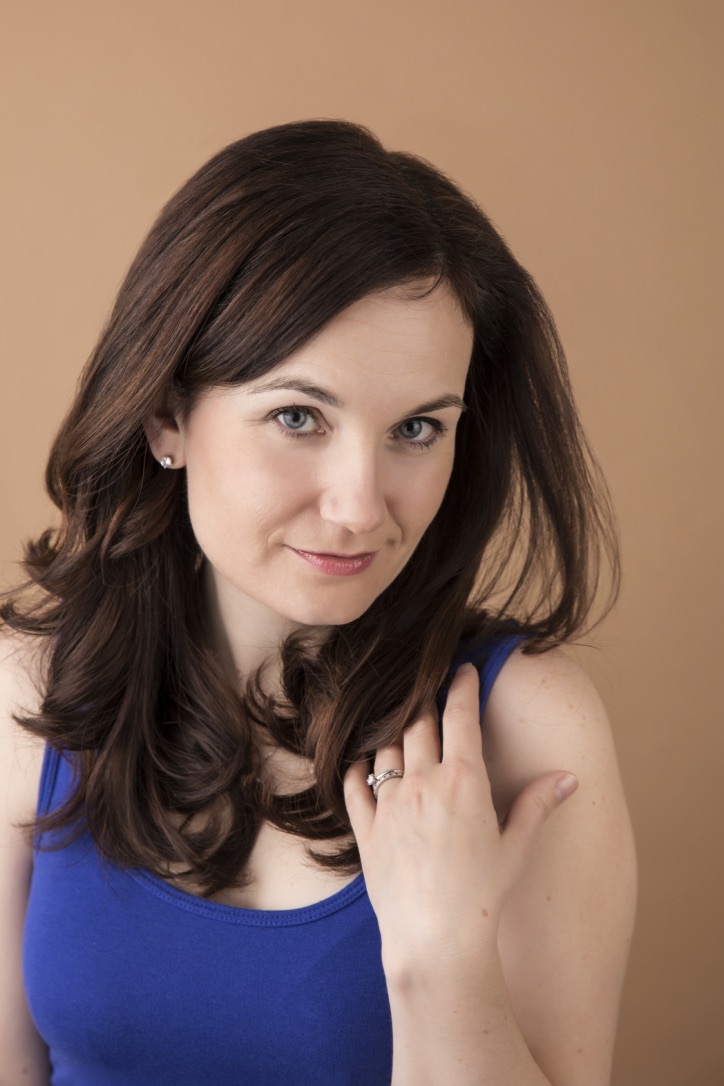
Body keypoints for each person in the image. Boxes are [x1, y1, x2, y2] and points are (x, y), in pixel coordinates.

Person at [0, 118, 636, 1086]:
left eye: (417, 429)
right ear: (166, 416)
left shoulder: (529, 735)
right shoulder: (33, 688)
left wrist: (444, 970)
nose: (359, 507)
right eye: (298, 416)